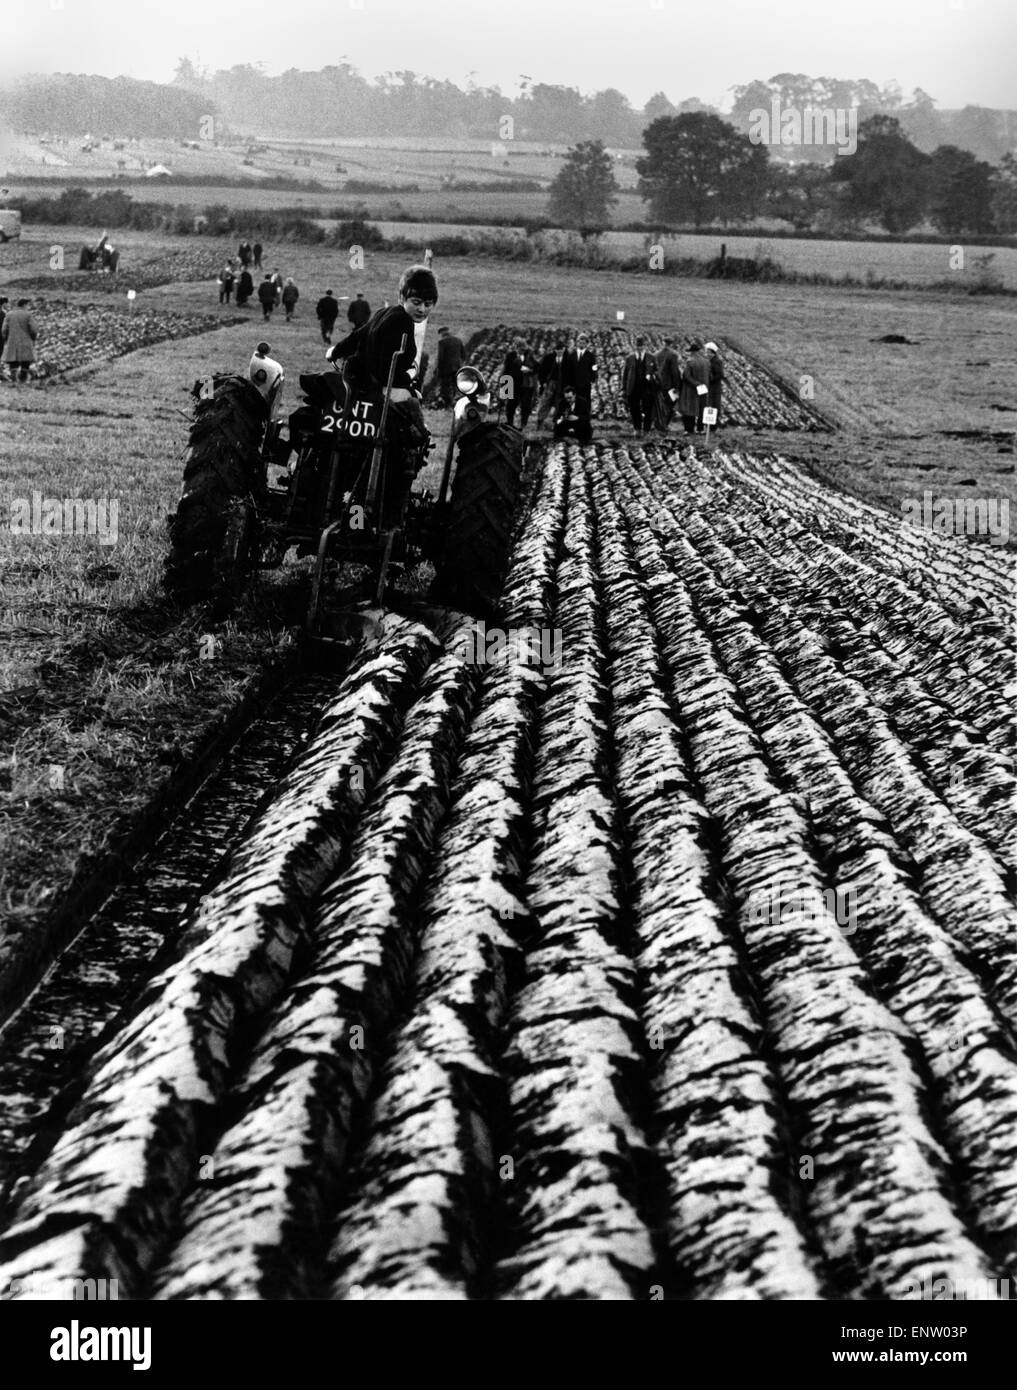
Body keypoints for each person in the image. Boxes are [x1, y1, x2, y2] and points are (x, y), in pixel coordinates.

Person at [327, 263, 437, 436]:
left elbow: (357, 336)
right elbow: (386, 366)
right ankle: (415, 445)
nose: (422, 309)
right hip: (379, 385)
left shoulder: (382, 313)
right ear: (402, 297)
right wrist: (407, 377)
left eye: (428, 304)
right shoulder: (403, 321)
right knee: (412, 417)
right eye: (416, 302)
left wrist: (335, 351)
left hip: (358, 378)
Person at [622, 335, 658, 435]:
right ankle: (637, 428)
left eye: (641, 346)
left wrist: (651, 376)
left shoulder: (651, 357)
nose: (639, 348)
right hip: (633, 387)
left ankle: (646, 429)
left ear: (645, 346)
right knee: (634, 408)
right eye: (638, 346)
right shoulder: (630, 358)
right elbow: (625, 374)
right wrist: (624, 388)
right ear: (635, 346)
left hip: (647, 388)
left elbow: (657, 371)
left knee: (648, 409)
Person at [501, 336, 538, 429]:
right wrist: (504, 388)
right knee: (510, 405)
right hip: (512, 384)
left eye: (524, 349)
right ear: (516, 347)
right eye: (520, 349)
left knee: (526, 406)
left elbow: (537, 367)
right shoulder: (510, 356)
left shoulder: (530, 355)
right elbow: (506, 371)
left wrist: (529, 370)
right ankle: (510, 423)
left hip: (526, 385)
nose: (522, 351)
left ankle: (523, 424)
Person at [536, 337, 571, 430]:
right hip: (550, 384)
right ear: (555, 350)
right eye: (558, 349)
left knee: (559, 404)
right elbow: (541, 371)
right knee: (545, 403)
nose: (559, 351)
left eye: (561, 349)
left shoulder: (568, 359)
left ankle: (556, 425)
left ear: (564, 349)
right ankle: (540, 423)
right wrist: (542, 382)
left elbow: (572, 373)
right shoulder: (549, 358)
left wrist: (569, 386)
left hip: (562, 385)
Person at [1, 299, 38, 383]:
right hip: (26, 341)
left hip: (12, 340)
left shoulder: (9, 314)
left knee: (13, 360)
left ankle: (14, 377)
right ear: (24, 304)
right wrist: (33, 338)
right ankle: (23, 379)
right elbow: (34, 329)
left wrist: (7, 338)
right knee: (26, 361)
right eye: (28, 305)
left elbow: (4, 329)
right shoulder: (28, 315)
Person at [678, 339, 711, 434]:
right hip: (704, 388)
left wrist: (696, 384)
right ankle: (700, 429)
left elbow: (686, 376)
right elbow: (709, 375)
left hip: (691, 389)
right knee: (702, 408)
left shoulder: (690, 361)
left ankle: (689, 429)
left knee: (689, 408)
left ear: (692, 352)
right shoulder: (706, 361)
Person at [654, 335, 681, 430]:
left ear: (663, 343)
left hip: (658, 384)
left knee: (659, 405)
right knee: (670, 405)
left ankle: (658, 424)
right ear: (671, 344)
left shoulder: (656, 354)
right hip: (669, 385)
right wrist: (677, 386)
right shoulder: (673, 355)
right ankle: (664, 425)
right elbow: (674, 371)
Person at [436, 325, 465, 406]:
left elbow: (440, 358)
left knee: (445, 385)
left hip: (446, 368)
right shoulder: (458, 340)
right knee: (456, 384)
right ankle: (457, 401)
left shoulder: (442, 342)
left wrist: (439, 369)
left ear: (442, 333)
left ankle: (447, 403)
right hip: (458, 367)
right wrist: (459, 363)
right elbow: (464, 354)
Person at [572, 331, 598, 406]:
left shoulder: (590, 356)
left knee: (585, 400)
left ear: (586, 344)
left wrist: (593, 378)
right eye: (580, 343)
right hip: (574, 382)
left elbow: (594, 367)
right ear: (577, 343)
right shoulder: (572, 355)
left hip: (585, 383)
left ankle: (585, 416)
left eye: (583, 343)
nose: (581, 345)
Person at [705, 341, 724, 428]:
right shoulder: (712, 360)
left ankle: (713, 425)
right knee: (711, 404)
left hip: (714, 387)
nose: (706, 353)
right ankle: (711, 425)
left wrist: (710, 379)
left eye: (707, 351)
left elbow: (719, 375)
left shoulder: (716, 361)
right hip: (712, 386)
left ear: (712, 352)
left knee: (714, 405)